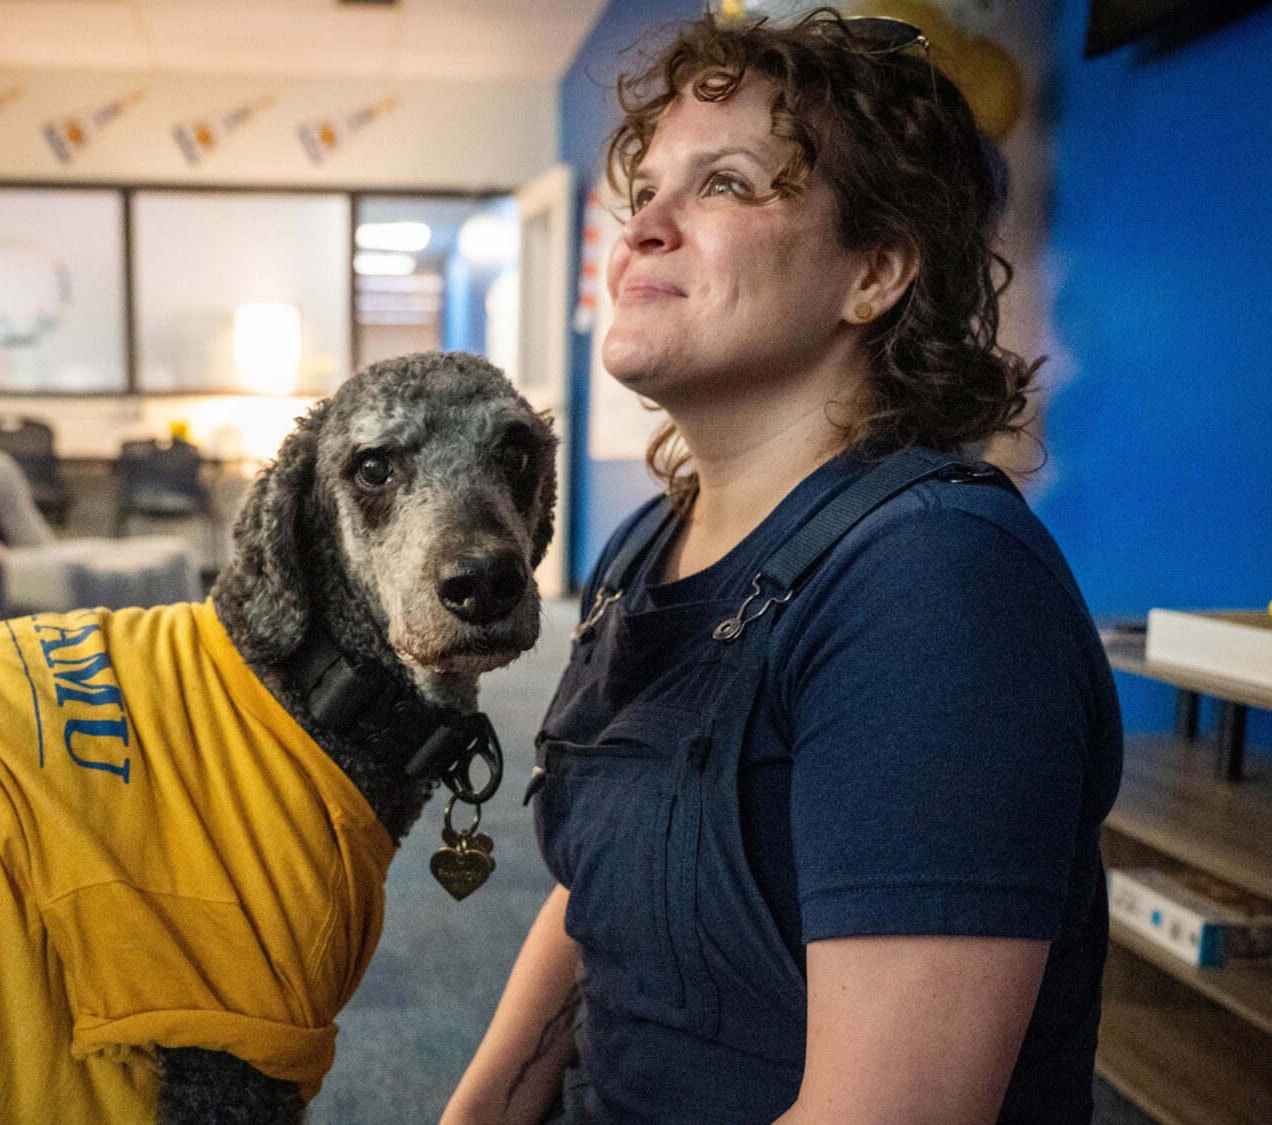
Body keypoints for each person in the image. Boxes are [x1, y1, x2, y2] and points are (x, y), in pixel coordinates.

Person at [441, 11, 1122, 1125]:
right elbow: (595, 893)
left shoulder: (934, 585)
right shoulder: (642, 547)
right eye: (644, 190)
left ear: (876, 271)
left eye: (725, 184)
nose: (641, 228)